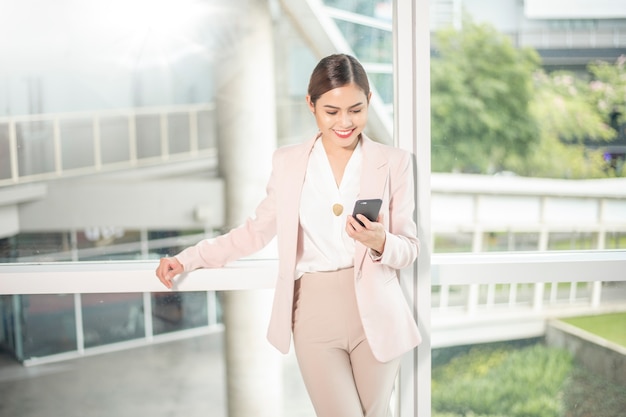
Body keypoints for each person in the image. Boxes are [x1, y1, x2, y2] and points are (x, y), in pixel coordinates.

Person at [155, 53, 422, 417]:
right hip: (313, 311)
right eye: (331, 111)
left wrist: (380, 242)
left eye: (355, 110)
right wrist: (188, 258)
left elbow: (409, 249)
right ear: (311, 104)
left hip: (378, 309)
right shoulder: (289, 162)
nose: (344, 122)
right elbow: (253, 232)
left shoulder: (394, 162)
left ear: (370, 102)